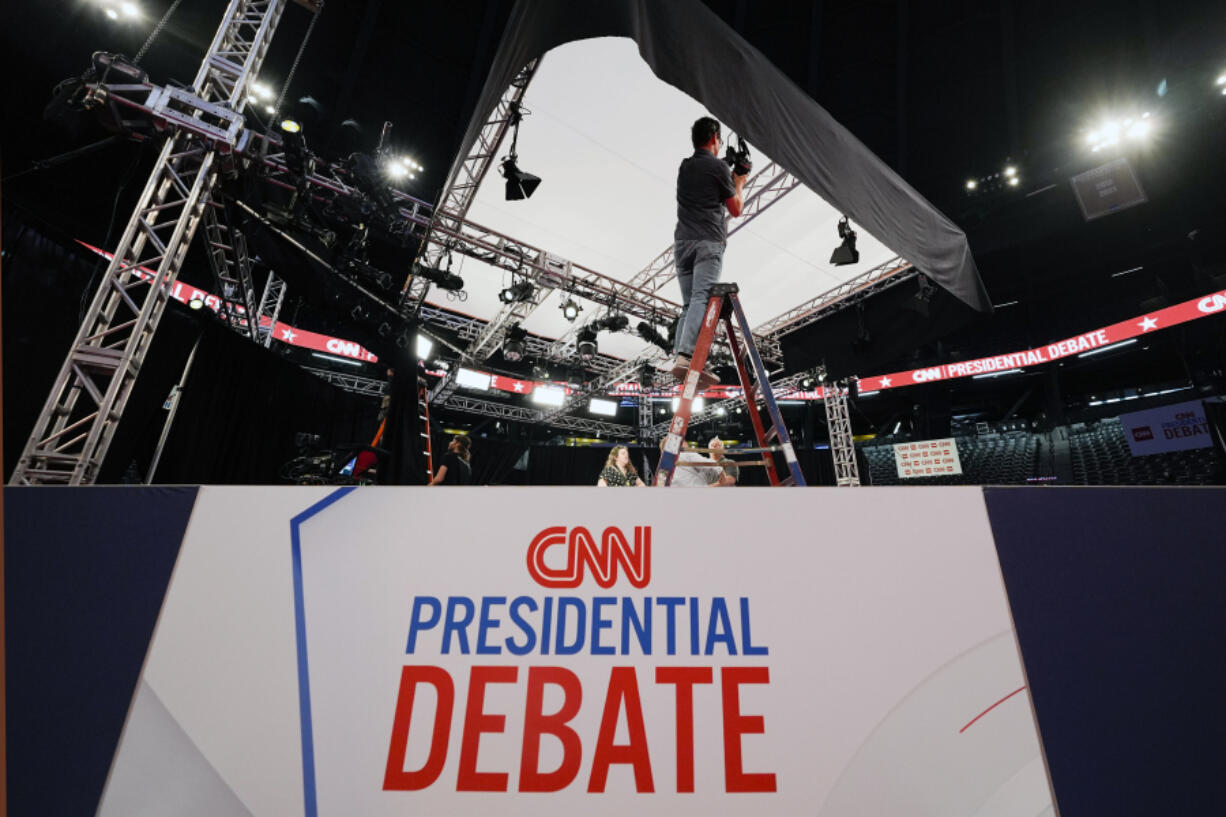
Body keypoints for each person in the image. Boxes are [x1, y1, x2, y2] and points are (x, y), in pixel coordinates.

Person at [667, 116, 748, 385]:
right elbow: (736, 209)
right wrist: (739, 180)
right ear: (715, 138)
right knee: (701, 298)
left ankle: (681, 355)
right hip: (707, 243)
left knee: (689, 304)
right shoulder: (718, 169)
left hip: (682, 245)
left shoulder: (685, 166)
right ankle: (689, 356)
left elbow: (709, 171)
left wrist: (726, 164)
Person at [662, 438, 735, 487]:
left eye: (718, 445)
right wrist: (721, 472)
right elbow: (710, 464)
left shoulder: (664, 466)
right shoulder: (686, 454)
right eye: (713, 445)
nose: (687, 444)